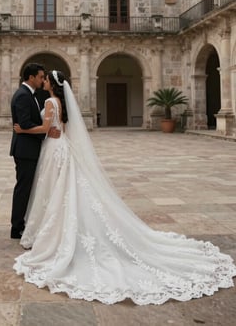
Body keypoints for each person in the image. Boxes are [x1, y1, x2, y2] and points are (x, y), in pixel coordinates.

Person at [12, 69, 236, 305]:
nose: (43, 80)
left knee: (54, 191)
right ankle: (52, 227)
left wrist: (23, 129)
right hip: (62, 148)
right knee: (61, 191)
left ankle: (48, 230)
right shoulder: (61, 101)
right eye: (42, 77)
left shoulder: (49, 101)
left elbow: (48, 128)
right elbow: (61, 129)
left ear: (51, 83)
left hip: (53, 149)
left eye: (45, 78)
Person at [9, 63, 59, 239]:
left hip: (29, 148)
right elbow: (24, 123)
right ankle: (16, 228)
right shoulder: (23, 95)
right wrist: (46, 131)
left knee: (27, 187)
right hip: (25, 150)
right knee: (23, 188)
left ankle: (22, 222)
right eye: (40, 77)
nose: (41, 80)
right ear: (31, 78)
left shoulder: (30, 95)